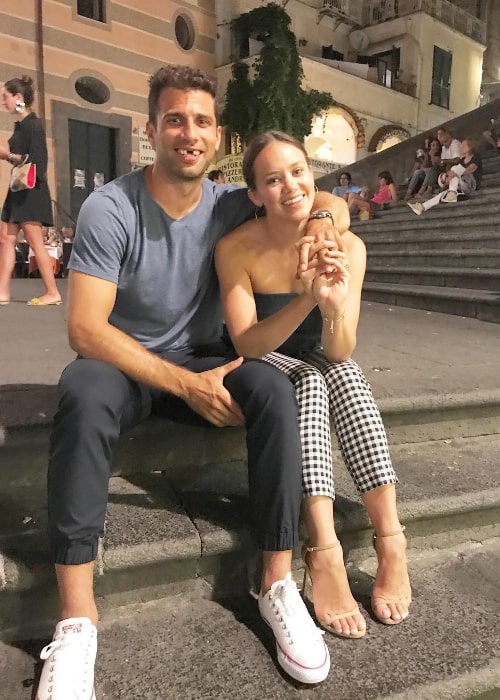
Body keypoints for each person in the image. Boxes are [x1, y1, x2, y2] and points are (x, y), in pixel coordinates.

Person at [36, 65, 351, 699]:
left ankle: (276, 580)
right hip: (126, 363)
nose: (189, 132)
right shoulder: (110, 207)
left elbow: (321, 198)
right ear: (152, 129)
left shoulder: (232, 201)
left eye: (201, 121)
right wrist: (184, 384)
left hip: (207, 355)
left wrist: (324, 222)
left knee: (272, 388)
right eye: (174, 119)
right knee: (82, 392)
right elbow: (85, 330)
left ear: (216, 135)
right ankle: (75, 621)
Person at [215, 131, 411, 643]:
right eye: (273, 180)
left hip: (320, 352)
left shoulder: (346, 245)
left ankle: (392, 540)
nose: (290, 187)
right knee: (307, 381)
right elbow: (250, 343)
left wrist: (331, 302)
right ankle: (323, 550)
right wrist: (304, 298)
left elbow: (341, 348)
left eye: (298, 172)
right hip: (264, 355)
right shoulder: (237, 248)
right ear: (255, 193)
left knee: (344, 374)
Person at [0, 76, 61, 306]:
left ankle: (52, 291)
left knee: (35, 241)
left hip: (31, 191)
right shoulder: (21, 126)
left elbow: (38, 163)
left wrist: (8, 155)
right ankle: (2, 291)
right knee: (6, 239)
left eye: (6, 97)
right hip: (17, 189)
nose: (3, 102)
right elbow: (20, 161)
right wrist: (9, 157)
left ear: (18, 98)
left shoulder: (33, 125)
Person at [408, 138, 482, 215]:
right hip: (461, 187)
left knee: (454, 168)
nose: (461, 147)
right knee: (442, 194)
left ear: (470, 147)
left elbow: (470, 169)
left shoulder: (475, 157)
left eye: (463, 145)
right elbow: (455, 175)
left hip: (472, 184)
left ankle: (452, 193)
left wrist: (454, 173)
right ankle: (422, 207)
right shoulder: (462, 160)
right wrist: (448, 178)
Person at [416, 127, 461, 199]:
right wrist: (435, 159)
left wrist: (441, 160)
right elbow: (442, 163)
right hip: (445, 170)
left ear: (447, 134)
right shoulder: (443, 148)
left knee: (449, 164)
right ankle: (428, 191)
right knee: (434, 168)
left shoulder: (455, 143)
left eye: (440, 135)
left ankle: (446, 188)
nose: (438, 137)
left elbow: (457, 160)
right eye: (438, 135)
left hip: (457, 169)